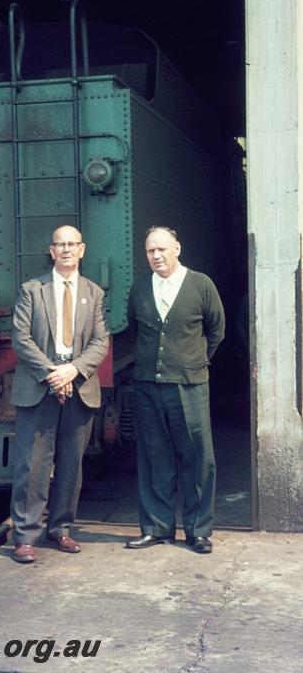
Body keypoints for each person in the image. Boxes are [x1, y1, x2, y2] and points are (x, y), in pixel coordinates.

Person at [9, 225, 109, 563]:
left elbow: (100, 341)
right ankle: (25, 536)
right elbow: (21, 338)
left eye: (72, 244)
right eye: (60, 244)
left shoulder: (94, 293)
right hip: (39, 386)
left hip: (79, 386)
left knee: (70, 465)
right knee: (32, 465)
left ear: (82, 250)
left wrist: (73, 370)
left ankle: (61, 529)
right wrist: (53, 373)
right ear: (52, 251)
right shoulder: (32, 290)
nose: (66, 249)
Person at [125, 226, 225, 554]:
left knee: (197, 457)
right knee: (154, 456)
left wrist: (194, 361)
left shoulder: (201, 284)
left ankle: (198, 531)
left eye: (162, 249)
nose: (156, 256)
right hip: (148, 386)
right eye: (150, 251)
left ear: (177, 249)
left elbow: (216, 330)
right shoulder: (140, 287)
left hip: (189, 385)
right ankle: (156, 528)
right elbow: (136, 327)